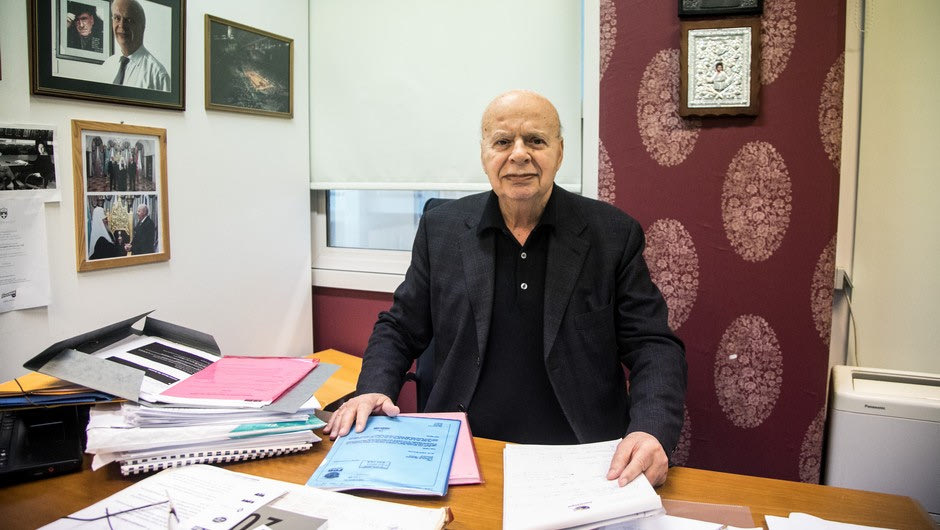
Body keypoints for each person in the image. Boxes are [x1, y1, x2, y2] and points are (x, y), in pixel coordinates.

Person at [325, 90, 687, 487]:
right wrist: (373, 389)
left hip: (581, 454)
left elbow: (653, 344)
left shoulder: (613, 235)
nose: (518, 155)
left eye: (535, 140)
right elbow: (399, 326)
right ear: (484, 154)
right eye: (502, 142)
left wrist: (651, 430)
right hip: (462, 447)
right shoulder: (441, 229)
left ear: (560, 152)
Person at [101, 0, 170, 91]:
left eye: (129, 20)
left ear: (142, 26)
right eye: (117, 18)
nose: (121, 25)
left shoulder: (157, 75)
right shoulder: (107, 65)